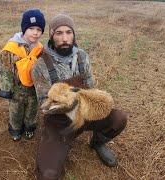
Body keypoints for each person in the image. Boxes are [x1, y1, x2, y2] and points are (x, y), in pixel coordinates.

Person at [31, 14, 128, 179]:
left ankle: (97, 142)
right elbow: (44, 105)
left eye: (69, 32)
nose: (65, 38)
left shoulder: (82, 57)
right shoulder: (40, 65)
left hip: (86, 113)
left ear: (74, 34)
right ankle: (59, 146)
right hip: (59, 122)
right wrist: (67, 104)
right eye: (59, 33)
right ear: (51, 35)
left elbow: (90, 88)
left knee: (119, 118)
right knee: (48, 174)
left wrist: (94, 101)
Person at [0, 8, 45, 141]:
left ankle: (29, 128)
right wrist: (5, 88)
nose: (35, 33)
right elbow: (4, 68)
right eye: (31, 28)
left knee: (32, 110)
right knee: (16, 111)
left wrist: (43, 87)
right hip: (17, 89)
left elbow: (43, 69)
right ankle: (15, 130)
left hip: (33, 89)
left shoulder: (40, 49)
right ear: (24, 28)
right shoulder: (11, 48)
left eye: (39, 30)